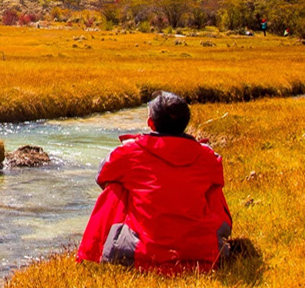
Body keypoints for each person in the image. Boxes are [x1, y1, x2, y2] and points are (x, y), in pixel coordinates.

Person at [76, 91, 232, 273]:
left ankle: (92, 253)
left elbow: (102, 175)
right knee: (212, 189)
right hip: (202, 253)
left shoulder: (130, 152)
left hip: (142, 254)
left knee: (116, 188)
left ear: (151, 123)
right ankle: (214, 244)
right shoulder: (207, 156)